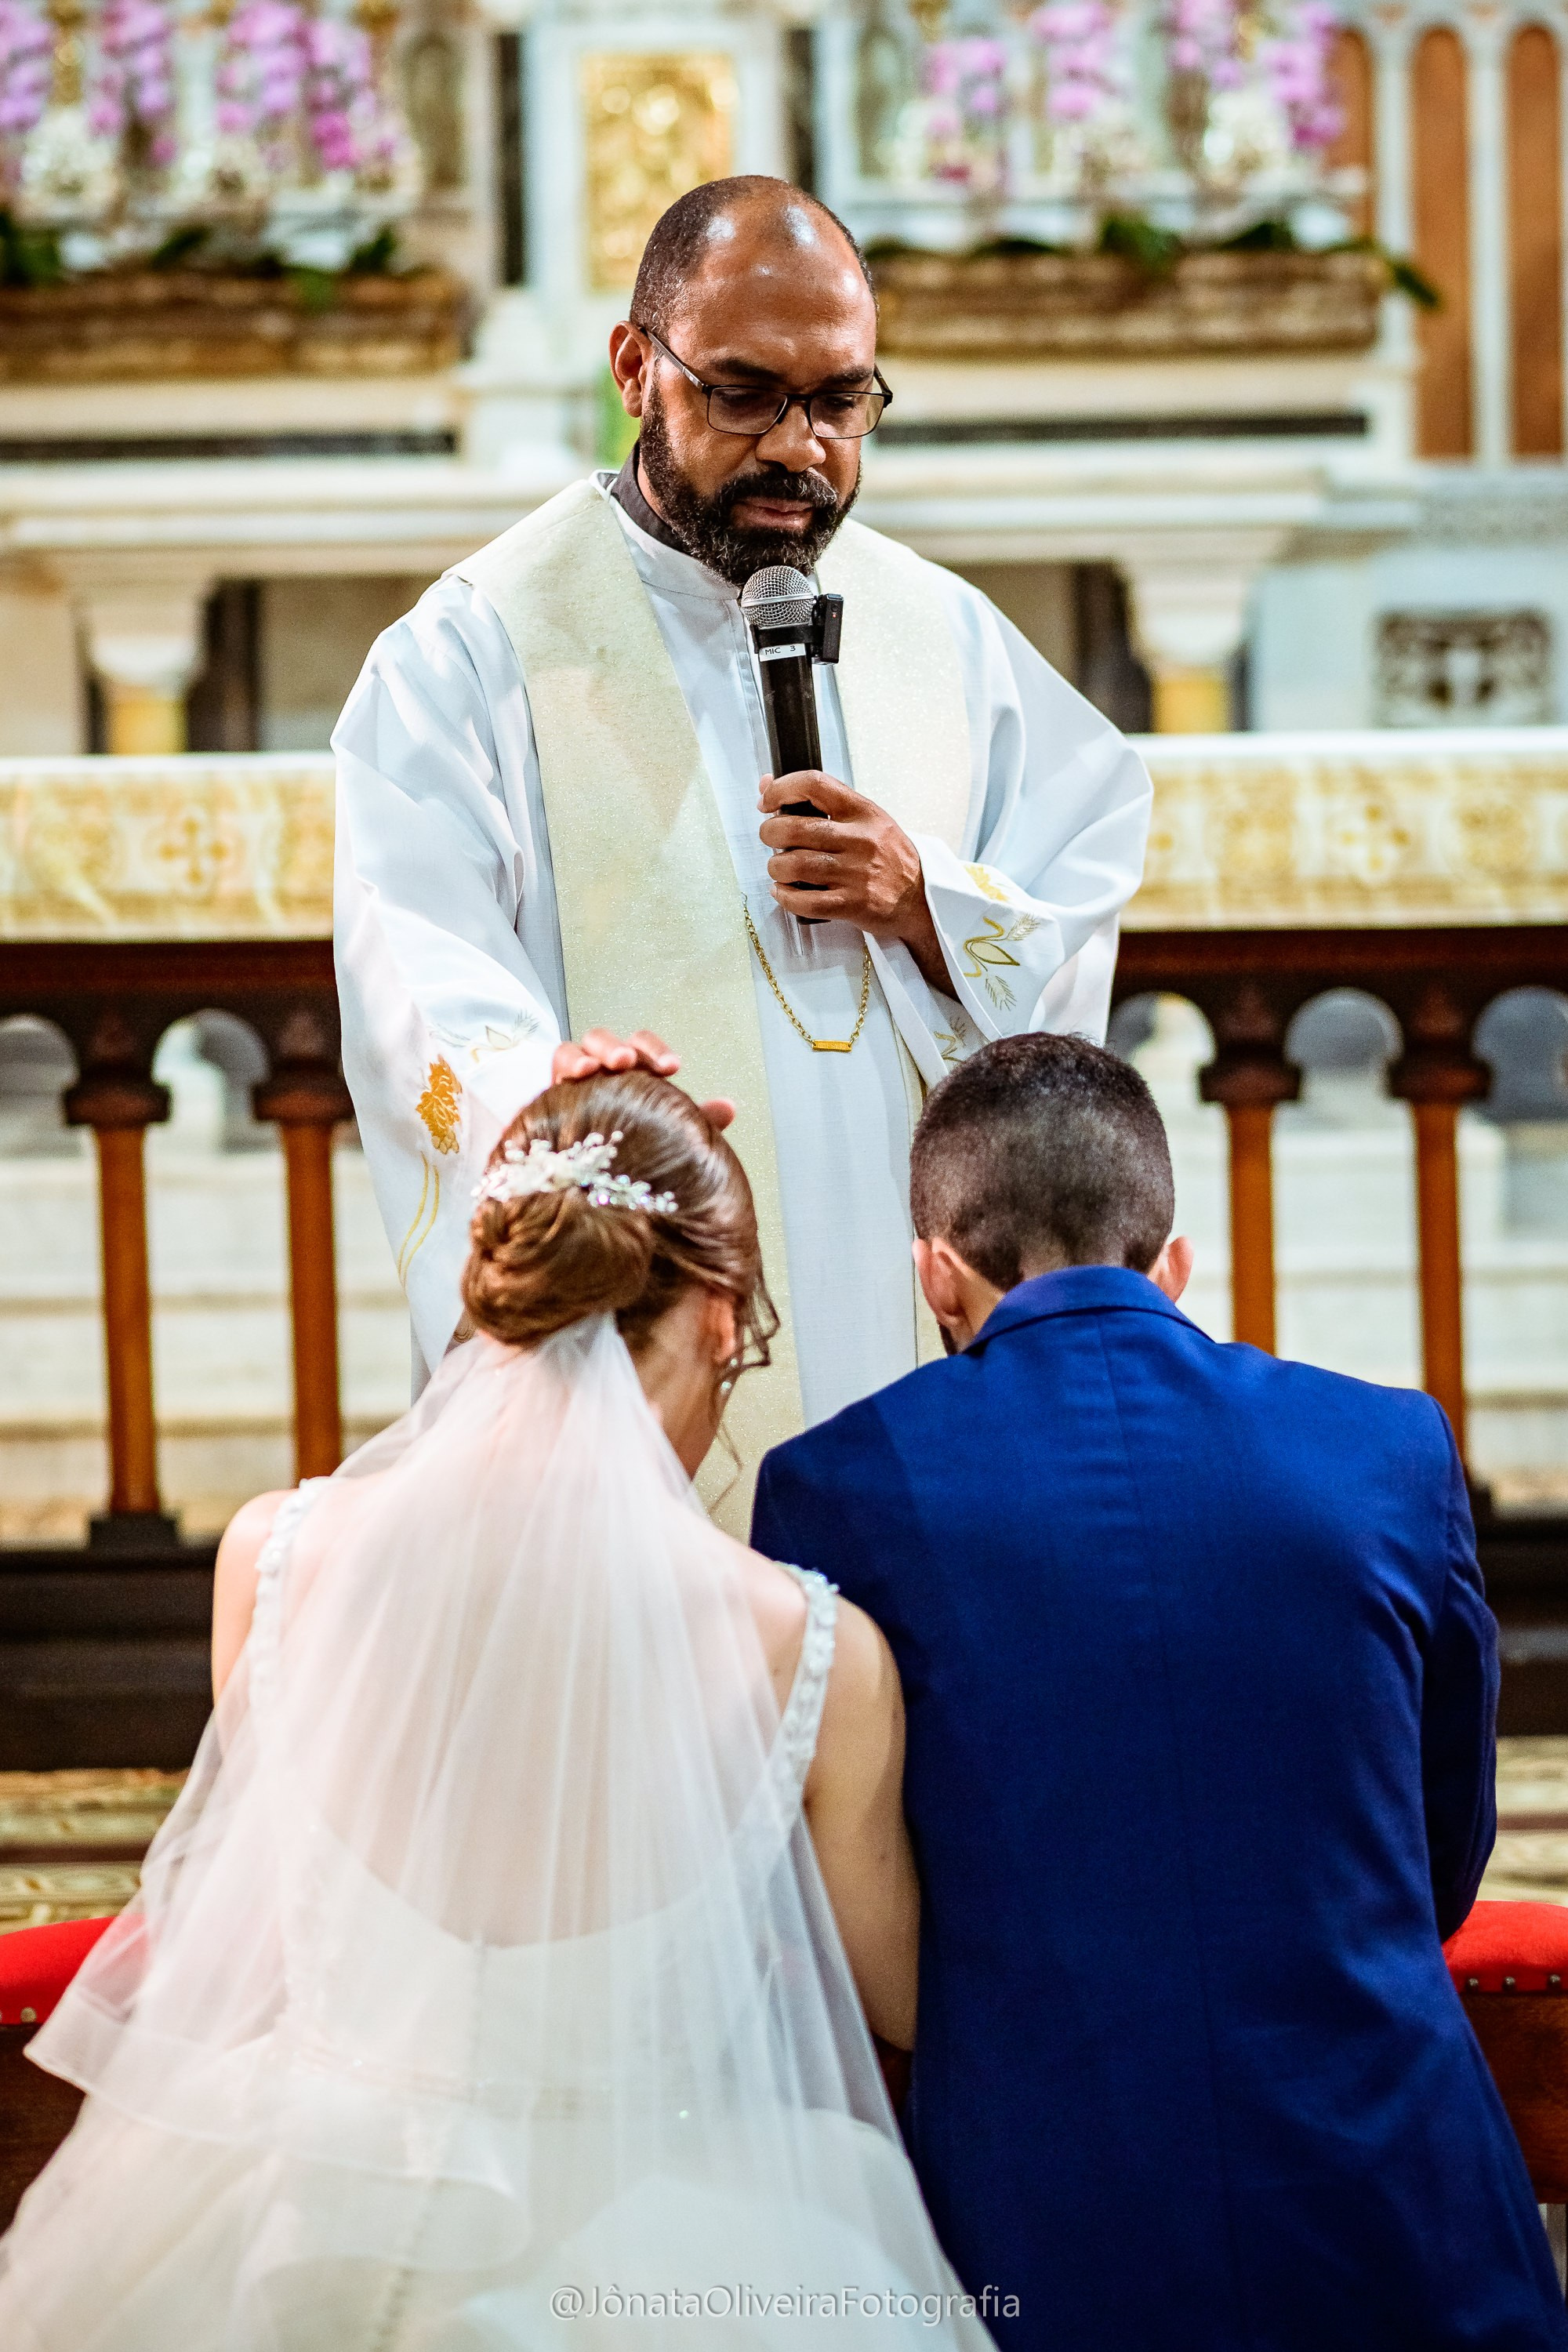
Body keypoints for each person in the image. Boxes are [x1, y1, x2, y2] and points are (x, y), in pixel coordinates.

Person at [0, 1073, 1000, 2350]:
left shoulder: (275, 1557)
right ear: (712, 1315)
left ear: (499, 1288)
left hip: (300, 2219)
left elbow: (243, 1924)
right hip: (677, 2260)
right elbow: (906, 2007)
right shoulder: (811, 1650)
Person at [333, 173, 1151, 1525]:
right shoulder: (472, 651)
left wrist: (931, 902)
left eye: (840, 401)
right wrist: (547, 1085)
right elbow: (418, 955)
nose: (800, 447)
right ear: (634, 369)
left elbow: (1082, 861)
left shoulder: (938, 633)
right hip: (656, 1276)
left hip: (912, 1284)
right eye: (744, 393)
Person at [751, 1033, 1568, 2352]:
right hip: (1400, 2211)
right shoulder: (1390, 1444)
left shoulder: (834, 1487)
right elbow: (1444, 1849)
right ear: (1174, 1261)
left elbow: (861, 1888)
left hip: (1047, 2229)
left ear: (936, 1272)